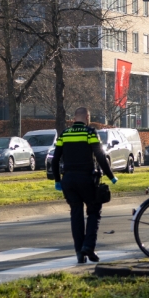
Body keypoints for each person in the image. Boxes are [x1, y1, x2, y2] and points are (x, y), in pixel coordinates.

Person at [51, 106, 117, 264]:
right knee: (94, 211)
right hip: (86, 179)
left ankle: (79, 252)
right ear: (87, 118)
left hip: (68, 180)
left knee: (76, 214)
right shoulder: (90, 133)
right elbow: (100, 156)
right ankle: (88, 246)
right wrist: (111, 176)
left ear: (74, 118)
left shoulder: (64, 134)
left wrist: (57, 180)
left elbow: (55, 159)